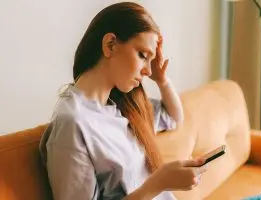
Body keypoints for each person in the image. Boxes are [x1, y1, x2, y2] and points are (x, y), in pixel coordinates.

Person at [39, 2, 206, 200]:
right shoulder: (73, 124)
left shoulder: (121, 107)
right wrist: (159, 183)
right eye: (143, 55)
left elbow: (173, 117)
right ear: (110, 45)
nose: (148, 70)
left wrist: (162, 80)